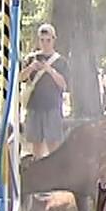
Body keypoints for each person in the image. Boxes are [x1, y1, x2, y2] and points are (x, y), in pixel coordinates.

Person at [19, 23, 70, 159]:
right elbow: (20, 78)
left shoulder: (61, 62)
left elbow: (64, 85)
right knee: (36, 145)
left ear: (54, 40)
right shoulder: (31, 59)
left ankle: (55, 175)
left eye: (48, 40)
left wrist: (50, 70)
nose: (45, 43)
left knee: (54, 145)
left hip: (52, 107)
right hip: (34, 107)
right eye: (42, 40)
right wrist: (31, 68)